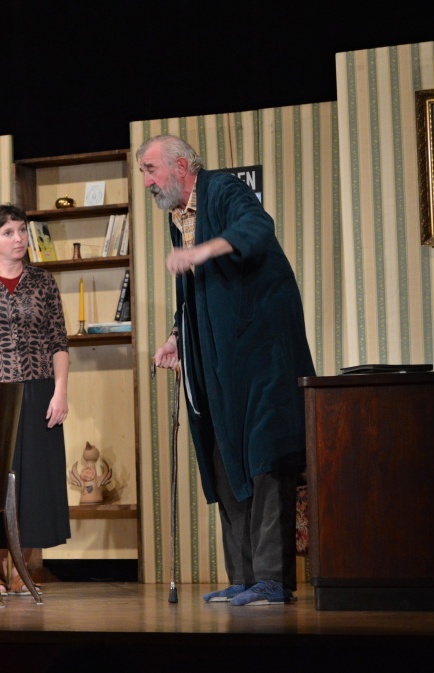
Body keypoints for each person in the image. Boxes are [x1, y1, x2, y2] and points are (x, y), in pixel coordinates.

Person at [139, 134, 315, 606]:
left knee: (264, 458)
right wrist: (176, 337)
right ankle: (244, 576)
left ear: (181, 166)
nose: (147, 181)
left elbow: (258, 227)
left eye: (151, 169)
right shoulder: (179, 218)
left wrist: (202, 251)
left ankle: (272, 581)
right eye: (143, 173)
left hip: (260, 353)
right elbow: (193, 292)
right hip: (218, 358)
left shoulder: (221, 189)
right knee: (224, 456)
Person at [0, 204, 71, 596]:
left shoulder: (43, 282)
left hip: (38, 390)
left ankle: (22, 571)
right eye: (8, 232)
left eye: (22, 230)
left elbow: (58, 341)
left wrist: (60, 392)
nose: (18, 238)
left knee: (34, 484)